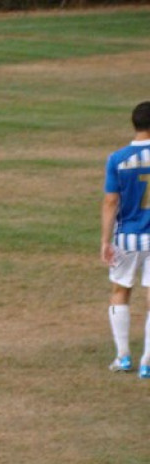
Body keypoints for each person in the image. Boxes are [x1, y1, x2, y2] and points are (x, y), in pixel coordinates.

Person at [101, 101, 150, 379]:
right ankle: (147, 361)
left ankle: (123, 356)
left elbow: (111, 202)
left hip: (127, 238)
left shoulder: (117, 159)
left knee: (121, 292)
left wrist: (105, 240)